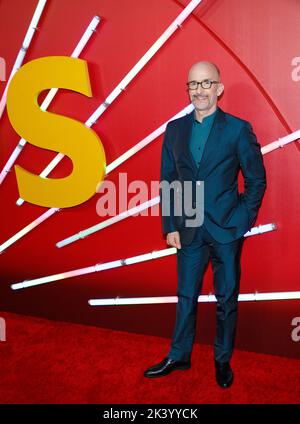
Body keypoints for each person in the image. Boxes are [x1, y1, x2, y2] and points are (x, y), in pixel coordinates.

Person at [144, 61, 266, 388]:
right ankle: (179, 355)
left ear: (219, 88)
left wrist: (242, 218)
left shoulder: (239, 129)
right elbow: (168, 180)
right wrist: (170, 224)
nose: (199, 90)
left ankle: (222, 359)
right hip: (187, 228)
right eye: (193, 84)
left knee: (226, 299)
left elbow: (256, 180)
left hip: (227, 230)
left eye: (205, 83)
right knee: (186, 296)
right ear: (188, 89)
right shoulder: (175, 130)